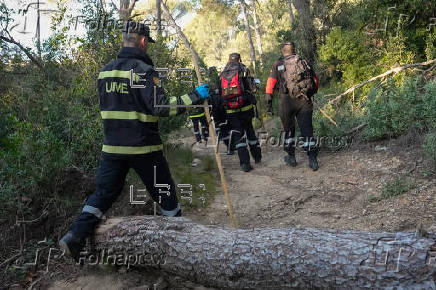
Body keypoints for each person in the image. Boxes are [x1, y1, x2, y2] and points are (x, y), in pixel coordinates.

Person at [59, 21, 210, 261]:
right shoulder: (142, 70)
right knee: (164, 192)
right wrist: (194, 96)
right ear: (142, 41)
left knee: (104, 193)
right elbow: (161, 107)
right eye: (147, 43)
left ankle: (75, 235)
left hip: (112, 149)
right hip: (144, 148)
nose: (147, 47)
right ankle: (183, 239)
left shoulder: (105, 72)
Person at [265, 42, 319, 171]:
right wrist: (310, 93)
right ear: (294, 50)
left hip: (286, 102)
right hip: (303, 100)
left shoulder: (277, 65)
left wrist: (269, 104)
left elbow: (270, 86)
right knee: (307, 130)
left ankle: (291, 157)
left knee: (288, 130)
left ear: (282, 51)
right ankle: (312, 159)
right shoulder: (303, 61)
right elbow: (315, 80)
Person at [219, 53, 262, 172]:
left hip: (231, 111)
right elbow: (252, 88)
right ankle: (257, 157)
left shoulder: (222, 73)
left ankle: (245, 164)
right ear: (239, 59)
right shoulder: (243, 69)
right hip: (246, 109)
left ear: (229, 60)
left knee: (238, 135)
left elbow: (220, 93)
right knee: (250, 131)